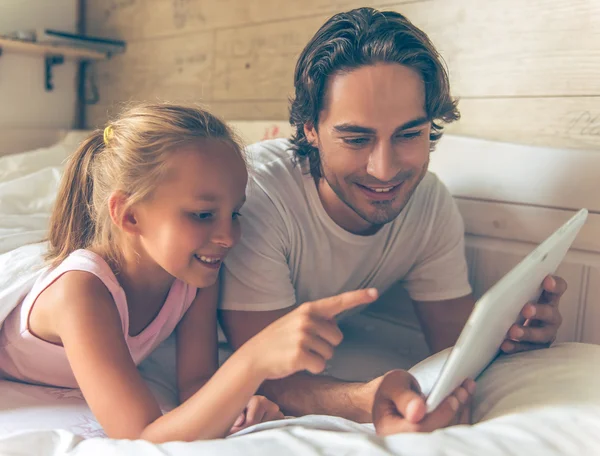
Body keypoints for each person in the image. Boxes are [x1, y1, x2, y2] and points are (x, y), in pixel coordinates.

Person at [219, 7, 566, 435]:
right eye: (356, 138)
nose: (384, 170)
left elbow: (455, 346)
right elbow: (267, 372)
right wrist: (367, 399)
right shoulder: (259, 193)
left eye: (408, 135)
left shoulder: (430, 202)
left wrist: (514, 340)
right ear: (310, 128)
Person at [0, 103, 405, 442]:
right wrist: (254, 361)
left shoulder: (194, 275)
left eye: (235, 212)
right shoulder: (82, 292)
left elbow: (195, 384)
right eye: (203, 214)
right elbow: (141, 435)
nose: (228, 236)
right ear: (129, 215)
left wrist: (237, 405)